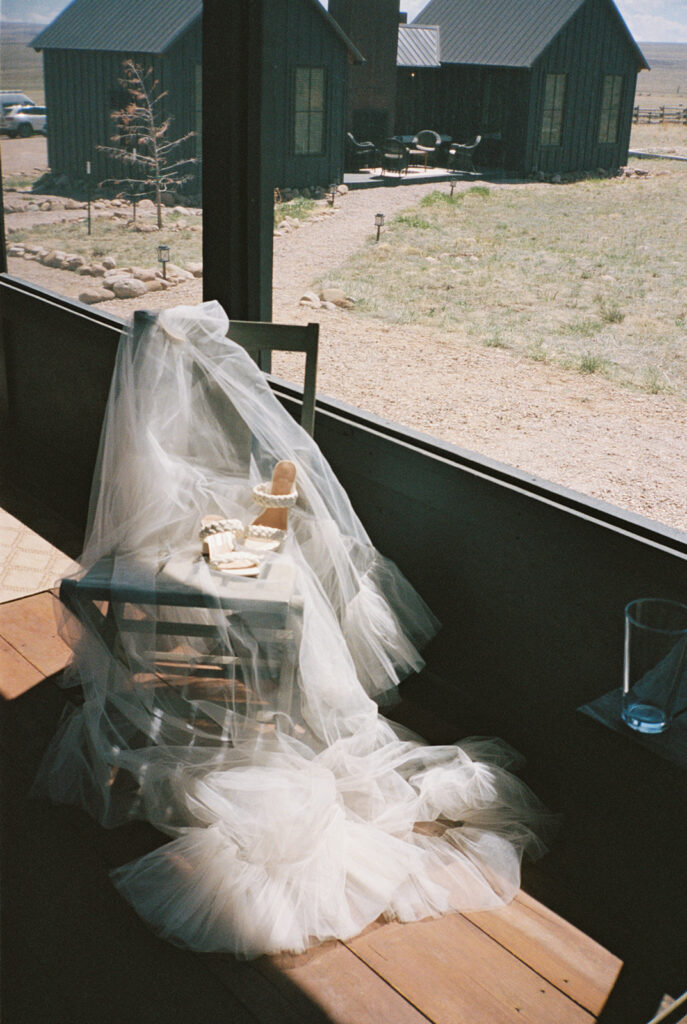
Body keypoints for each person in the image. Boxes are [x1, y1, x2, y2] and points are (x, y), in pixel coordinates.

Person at [34, 302, 548, 958]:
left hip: (247, 529)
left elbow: (278, 484)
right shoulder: (151, 434)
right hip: (187, 530)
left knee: (279, 558)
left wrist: (247, 521)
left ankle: (260, 704)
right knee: (110, 581)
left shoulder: (260, 474)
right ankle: (211, 682)